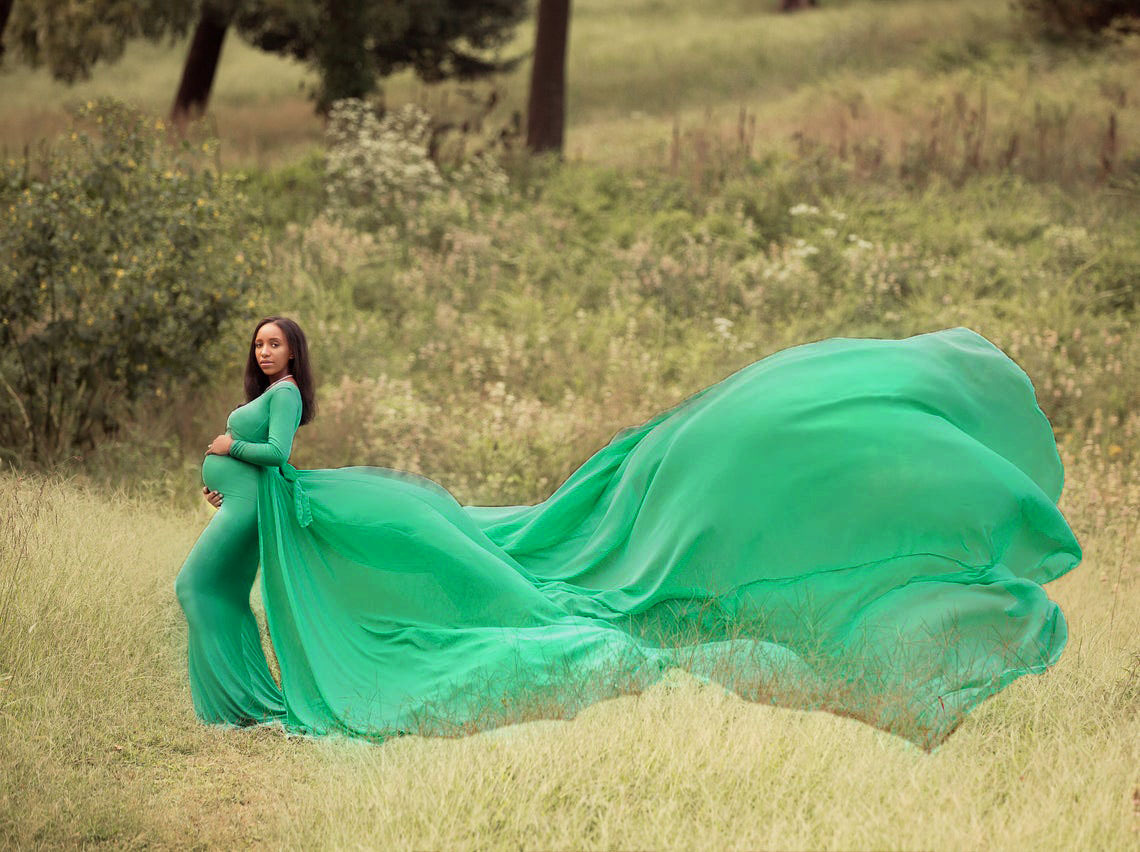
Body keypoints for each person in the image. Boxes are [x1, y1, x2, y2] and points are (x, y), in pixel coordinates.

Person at [175, 319, 1082, 749]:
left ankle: (242, 702)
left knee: (546, 581)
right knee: (207, 592)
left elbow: (278, 457)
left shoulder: (280, 404)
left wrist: (232, 451)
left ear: (292, 355)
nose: (265, 355)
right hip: (253, 513)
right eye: (257, 347)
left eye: (274, 345)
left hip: (268, 500)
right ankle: (240, 699)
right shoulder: (269, 394)